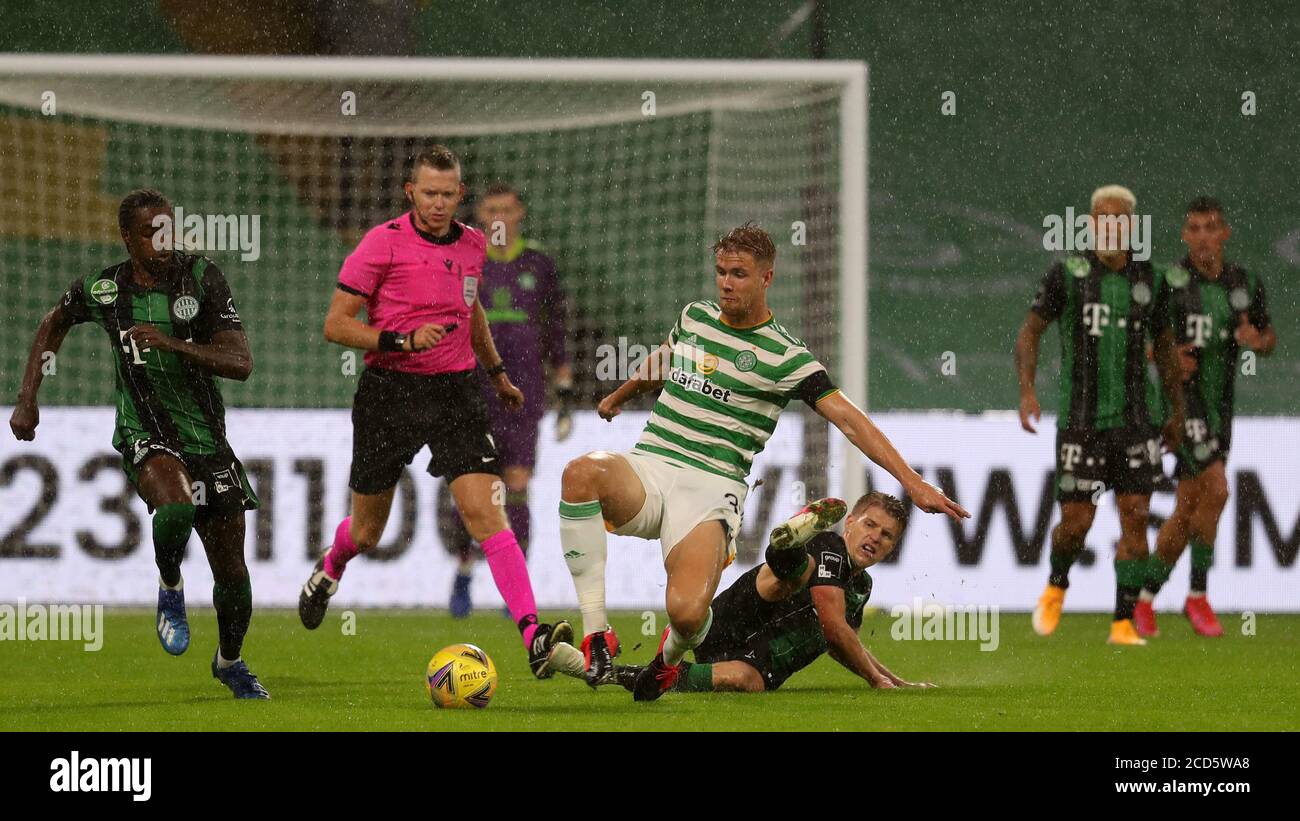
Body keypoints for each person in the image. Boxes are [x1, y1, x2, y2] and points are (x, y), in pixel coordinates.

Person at [560, 221, 968, 701]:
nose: (726, 284)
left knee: (688, 616)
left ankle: (667, 663)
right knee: (580, 472)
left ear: (766, 278)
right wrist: (621, 394)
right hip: (651, 465)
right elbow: (667, 358)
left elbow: (850, 419)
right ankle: (596, 634)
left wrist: (913, 482)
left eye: (738, 274)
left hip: (712, 489)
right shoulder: (695, 316)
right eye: (720, 273)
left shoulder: (786, 357)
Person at [296, 146, 577, 678]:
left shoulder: (474, 246)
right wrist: (399, 339)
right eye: (429, 193)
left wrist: (496, 374)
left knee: (487, 512)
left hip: (457, 393)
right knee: (366, 532)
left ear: (460, 196)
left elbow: (470, 313)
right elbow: (336, 324)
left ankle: (533, 635)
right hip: (389, 394)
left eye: (448, 194)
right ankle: (330, 568)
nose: (439, 203)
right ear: (411, 192)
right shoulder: (382, 243)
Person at [9, 188, 268, 698]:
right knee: (174, 507)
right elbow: (52, 323)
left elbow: (240, 364)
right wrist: (27, 397)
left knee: (233, 576)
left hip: (206, 437)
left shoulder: (202, 277)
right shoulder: (105, 289)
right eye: (152, 232)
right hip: (145, 430)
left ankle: (230, 661)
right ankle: (170, 585)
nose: (164, 240)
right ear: (127, 237)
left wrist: (171, 342)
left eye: (169, 228)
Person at [1016, 184, 1185, 645]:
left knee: (1135, 515)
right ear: (1090, 225)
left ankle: (1123, 623)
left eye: (1119, 219)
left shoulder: (1151, 282)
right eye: (1102, 218)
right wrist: (1028, 392)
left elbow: (1167, 351)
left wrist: (1177, 411)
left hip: (1136, 421)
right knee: (1076, 525)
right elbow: (1029, 334)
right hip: (1081, 423)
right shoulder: (1066, 276)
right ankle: (1056, 586)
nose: (1110, 227)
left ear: (1130, 227)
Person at [611, 494, 933, 693]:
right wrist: (877, 682)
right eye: (869, 524)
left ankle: (638, 675)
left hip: (761, 655)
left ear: (892, 548)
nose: (875, 537)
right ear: (849, 523)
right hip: (735, 620)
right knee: (800, 572)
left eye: (886, 535)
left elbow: (844, 644)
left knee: (746, 681)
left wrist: (892, 680)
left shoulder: (862, 588)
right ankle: (786, 549)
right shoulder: (830, 545)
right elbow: (833, 628)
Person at [1135, 197, 1276, 637]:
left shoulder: (1244, 283)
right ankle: (1197, 596)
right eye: (1194, 228)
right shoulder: (1170, 283)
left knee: (1188, 508)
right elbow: (1141, 342)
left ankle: (1143, 600)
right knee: (1217, 489)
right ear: (1184, 235)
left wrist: (1258, 339)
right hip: (1181, 405)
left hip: (1221, 408)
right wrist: (1167, 355)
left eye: (1210, 227)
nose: (1202, 237)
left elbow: (1267, 336)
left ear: (1225, 233)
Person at [445, 182, 575, 617]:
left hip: (524, 391)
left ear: (519, 213)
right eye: (491, 211)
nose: (499, 218)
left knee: (517, 484)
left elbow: (555, 323)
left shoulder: (539, 263)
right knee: (476, 485)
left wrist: (564, 381)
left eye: (507, 210)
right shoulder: (468, 261)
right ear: (481, 216)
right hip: (473, 387)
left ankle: (512, 585)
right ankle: (464, 570)